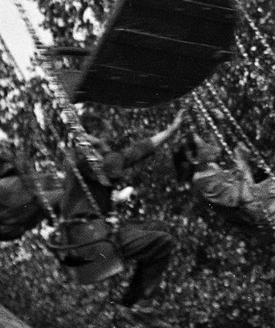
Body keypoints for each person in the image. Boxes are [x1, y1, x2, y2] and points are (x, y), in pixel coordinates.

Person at [59, 117, 185, 306]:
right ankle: (141, 304)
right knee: (162, 242)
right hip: (89, 240)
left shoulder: (86, 163)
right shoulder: (81, 162)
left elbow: (133, 153)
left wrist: (169, 131)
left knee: (161, 228)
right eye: (99, 143)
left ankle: (132, 299)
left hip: (95, 233)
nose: (104, 148)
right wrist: (99, 145)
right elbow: (127, 156)